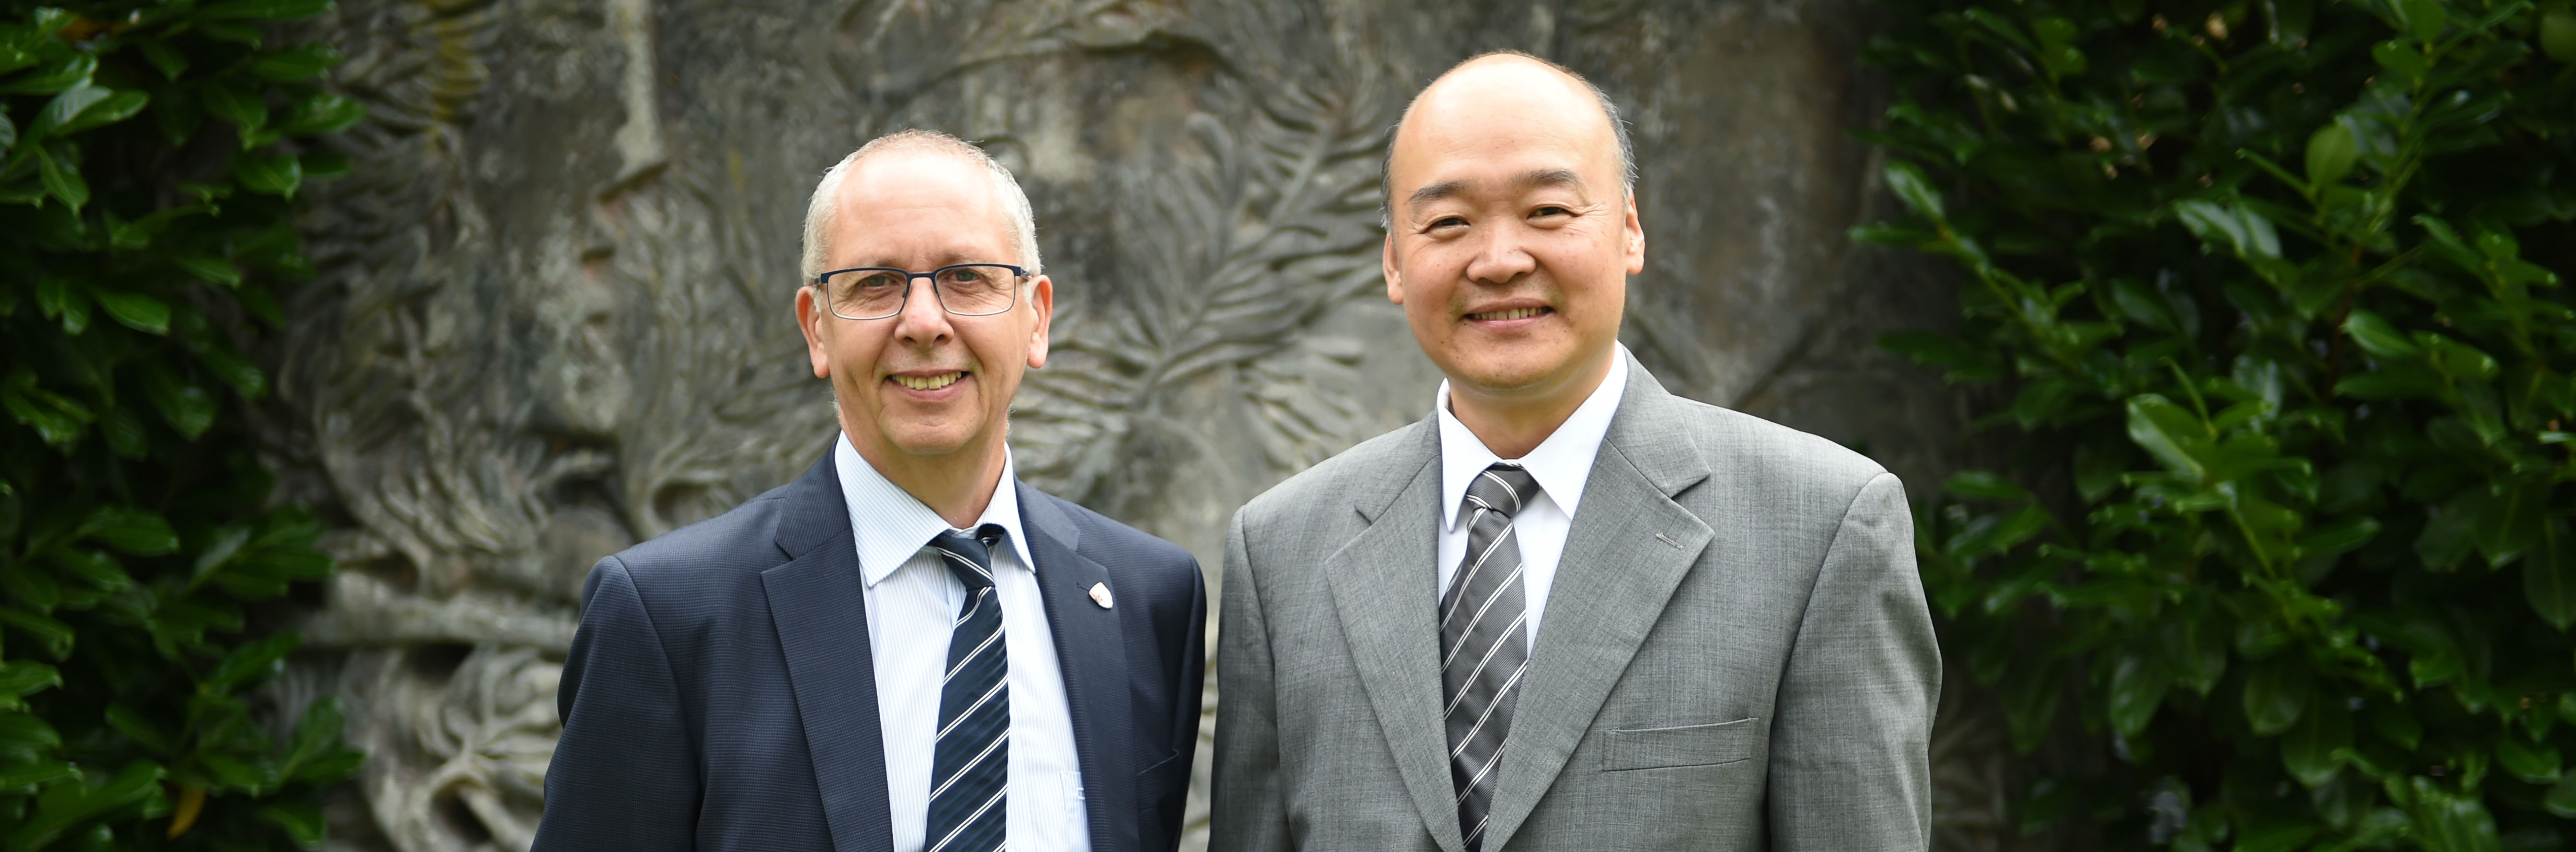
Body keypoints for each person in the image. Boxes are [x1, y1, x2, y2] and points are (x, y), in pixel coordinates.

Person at [1209, 52, 1939, 851]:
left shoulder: (1823, 527)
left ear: (1629, 229)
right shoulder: (1280, 551)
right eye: (1448, 223)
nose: (1499, 259)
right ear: (1393, 261)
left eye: (1548, 211)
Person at [532, 130, 1205, 852]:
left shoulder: (1148, 600)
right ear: (816, 328)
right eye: (875, 284)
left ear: (1036, 317)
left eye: (967, 277)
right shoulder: (670, 617)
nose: (922, 322)